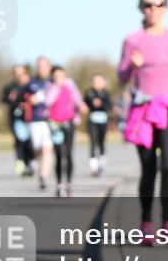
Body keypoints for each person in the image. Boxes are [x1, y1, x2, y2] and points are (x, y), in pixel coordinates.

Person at [119, 0, 168, 244]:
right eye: (148, 4)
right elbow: (121, 76)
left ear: (165, 8)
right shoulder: (133, 40)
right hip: (144, 110)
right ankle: (146, 222)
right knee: (149, 168)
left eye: (158, 4)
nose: (153, 9)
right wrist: (131, 64)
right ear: (141, 8)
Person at [46, 65, 83, 197]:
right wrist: (56, 87)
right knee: (58, 156)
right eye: (55, 76)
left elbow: (78, 101)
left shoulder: (71, 86)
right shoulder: (50, 87)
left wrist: (81, 108)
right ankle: (59, 184)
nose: (59, 78)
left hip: (69, 123)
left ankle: (69, 185)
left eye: (61, 75)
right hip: (55, 125)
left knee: (68, 154)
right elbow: (47, 101)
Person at [24, 56, 55, 190]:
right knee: (38, 149)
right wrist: (30, 100)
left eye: (44, 66)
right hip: (35, 120)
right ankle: (38, 166)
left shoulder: (53, 82)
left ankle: (44, 176)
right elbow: (22, 99)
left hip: (49, 120)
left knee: (47, 148)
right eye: (39, 66)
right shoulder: (31, 83)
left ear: (49, 67)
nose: (41, 68)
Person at [1, 65, 34, 177]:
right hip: (16, 119)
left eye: (21, 73)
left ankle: (30, 163)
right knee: (19, 141)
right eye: (16, 73)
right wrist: (13, 101)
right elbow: (4, 99)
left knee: (30, 143)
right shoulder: (10, 87)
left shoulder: (31, 85)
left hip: (31, 119)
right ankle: (21, 163)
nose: (19, 75)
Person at [83, 73, 112, 176]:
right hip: (92, 120)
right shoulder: (89, 93)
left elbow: (109, 106)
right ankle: (93, 167)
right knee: (93, 142)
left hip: (103, 120)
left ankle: (101, 165)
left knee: (101, 142)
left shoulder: (106, 93)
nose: (96, 83)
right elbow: (84, 105)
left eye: (99, 81)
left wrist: (101, 104)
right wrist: (90, 105)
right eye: (95, 81)